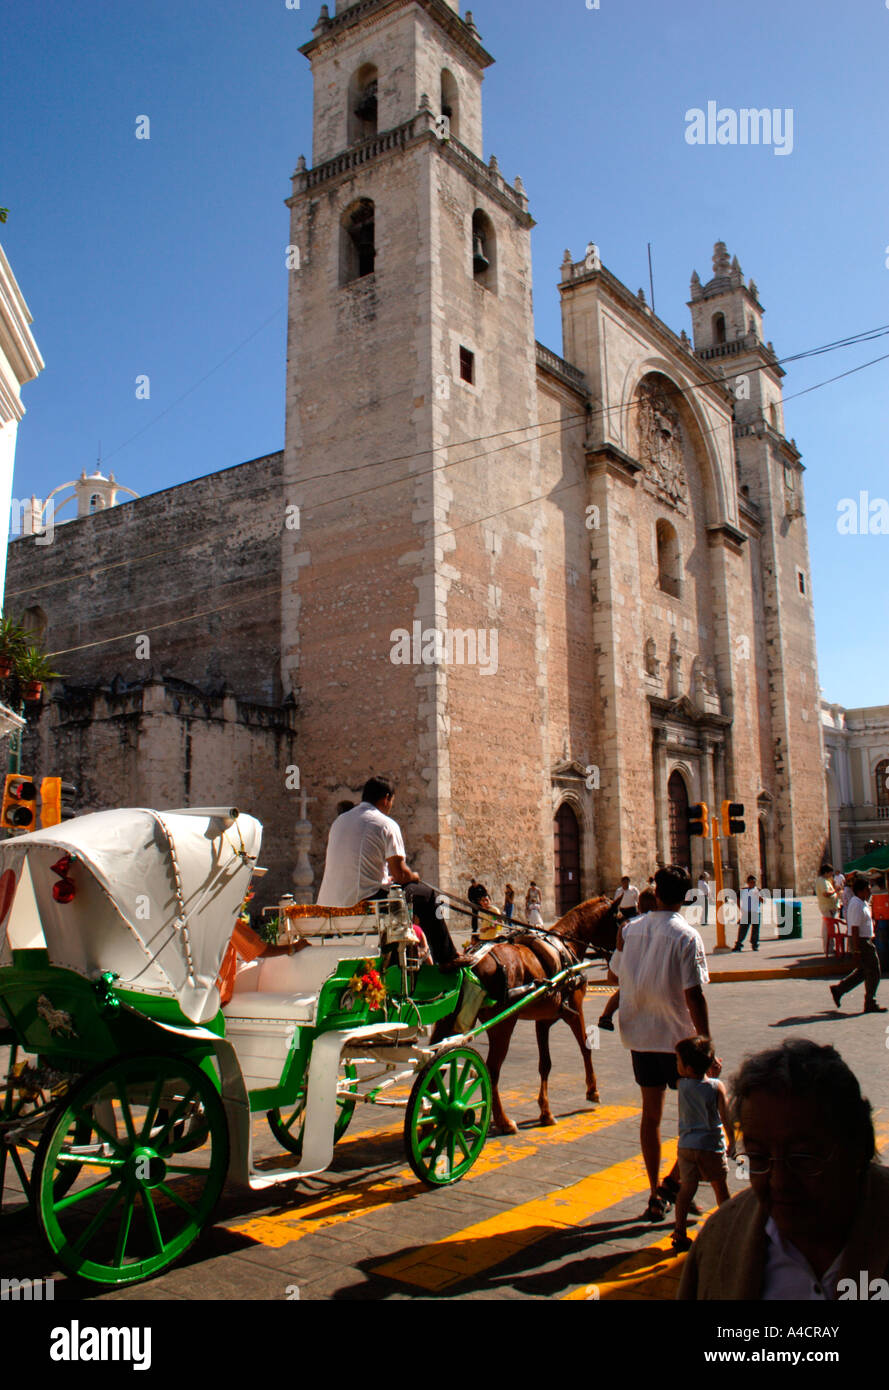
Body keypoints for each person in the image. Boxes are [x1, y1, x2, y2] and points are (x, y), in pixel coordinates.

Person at [678, 1039, 889, 1299]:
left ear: (857, 1150)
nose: (779, 1182)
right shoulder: (721, 1241)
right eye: (758, 1157)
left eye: (802, 1158)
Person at [607, 864, 711, 1222]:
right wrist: (707, 1043)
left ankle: (656, 1192)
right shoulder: (686, 935)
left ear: (657, 890)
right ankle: (673, 1185)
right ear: (685, 898)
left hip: (640, 1034)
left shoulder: (631, 930)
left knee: (650, 1117)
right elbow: (694, 995)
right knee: (698, 1120)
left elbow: (613, 975)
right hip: (680, 1040)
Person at [317, 775, 463, 966]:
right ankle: (448, 958)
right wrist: (415, 876)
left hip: (328, 902)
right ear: (386, 798)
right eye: (391, 801)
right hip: (364, 901)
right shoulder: (385, 824)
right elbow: (401, 875)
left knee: (401, 895)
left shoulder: (340, 821)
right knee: (428, 896)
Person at [671, 1035, 733, 1252]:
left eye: (678, 1061)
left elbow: (697, 1082)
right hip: (711, 1147)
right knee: (720, 1189)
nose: (676, 1065)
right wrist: (732, 1141)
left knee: (686, 1190)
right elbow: (725, 1116)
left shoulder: (682, 1085)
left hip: (686, 1148)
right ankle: (729, 1229)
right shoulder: (717, 1087)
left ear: (687, 1068)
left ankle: (679, 1231)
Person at [597, 888, 658, 1032]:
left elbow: (612, 977)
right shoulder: (669, 928)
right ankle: (606, 1015)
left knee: (624, 989)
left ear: (640, 906)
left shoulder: (627, 928)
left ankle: (606, 1015)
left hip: (632, 1028)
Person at [829, 875, 886, 1014]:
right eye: (868, 890)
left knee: (863, 972)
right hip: (862, 942)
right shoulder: (856, 904)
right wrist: (856, 950)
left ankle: (839, 990)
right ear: (860, 891)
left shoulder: (862, 902)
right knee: (874, 971)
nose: (870, 892)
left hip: (865, 940)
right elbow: (854, 928)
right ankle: (870, 1002)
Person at [733, 875, 763, 952]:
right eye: (751, 882)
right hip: (746, 912)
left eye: (754, 882)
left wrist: (758, 896)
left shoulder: (758, 890)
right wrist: (740, 909)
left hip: (756, 912)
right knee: (743, 929)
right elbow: (737, 899)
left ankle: (755, 944)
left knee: (755, 930)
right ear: (748, 883)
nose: (753, 884)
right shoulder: (743, 891)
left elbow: (763, 901)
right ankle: (739, 944)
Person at [815, 862, 840, 954]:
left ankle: (829, 947)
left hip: (829, 907)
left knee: (829, 928)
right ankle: (828, 947)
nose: (831, 875)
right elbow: (825, 894)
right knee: (828, 929)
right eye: (830, 873)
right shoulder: (822, 881)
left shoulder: (825, 881)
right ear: (826, 872)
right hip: (827, 907)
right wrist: (835, 891)